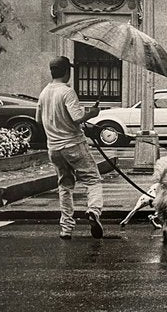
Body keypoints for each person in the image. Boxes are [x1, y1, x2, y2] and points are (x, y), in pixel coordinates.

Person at [36, 56, 104, 239]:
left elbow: (38, 119)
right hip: (73, 144)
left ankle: (66, 228)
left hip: (54, 148)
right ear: (67, 72)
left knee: (64, 185)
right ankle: (94, 211)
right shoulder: (67, 92)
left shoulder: (44, 93)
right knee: (93, 180)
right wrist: (92, 113)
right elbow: (76, 117)